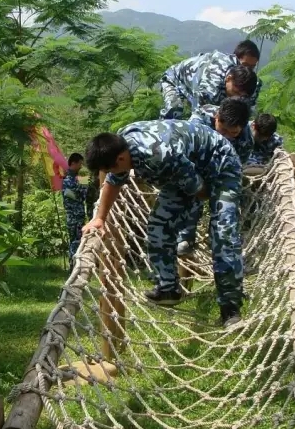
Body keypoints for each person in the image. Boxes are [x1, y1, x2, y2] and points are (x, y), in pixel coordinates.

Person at [83, 120, 244, 328]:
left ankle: (230, 309)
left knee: (222, 232)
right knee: (159, 226)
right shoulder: (121, 145)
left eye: (109, 169)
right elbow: (114, 181)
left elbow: (199, 190)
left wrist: (205, 208)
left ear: (120, 158)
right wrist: (99, 218)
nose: (111, 172)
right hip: (184, 172)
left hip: (220, 164)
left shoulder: (160, 155)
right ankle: (168, 288)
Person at [177, 98, 251, 257]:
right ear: (216, 117)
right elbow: (187, 154)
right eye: (223, 130)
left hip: (223, 168)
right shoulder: (198, 121)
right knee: (192, 194)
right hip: (196, 165)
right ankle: (185, 238)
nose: (226, 137)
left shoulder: (245, 137)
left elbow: (238, 165)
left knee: (226, 202)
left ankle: (219, 239)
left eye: (233, 133)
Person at [159, 40, 261, 120]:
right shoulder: (214, 77)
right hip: (175, 79)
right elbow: (200, 116)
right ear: (235, 59)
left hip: (200, 88)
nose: (247, 70)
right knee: (174, 111)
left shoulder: (252, 82)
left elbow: (243, 116)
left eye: (252, 67)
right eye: (245, 65)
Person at [62, 153, 88, 261]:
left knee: (79, 240)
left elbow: (84, 196)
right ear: (73, 163)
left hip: (80, 215)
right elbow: (72, 195)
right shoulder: (67, 180)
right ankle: (73, 265)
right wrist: (82, 185)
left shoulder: (81, 178)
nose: (81, 167)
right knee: (74, 241)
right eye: (80, 164)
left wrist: (84, 183)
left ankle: (76, 263)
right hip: (73, 216)